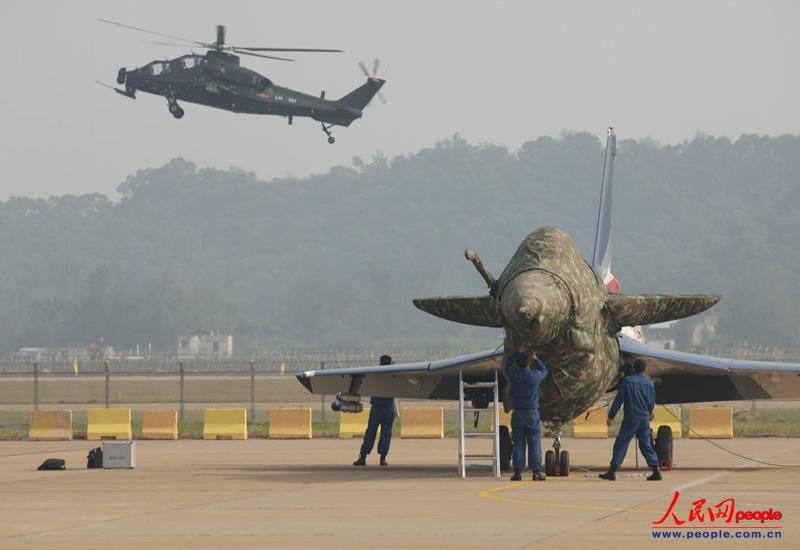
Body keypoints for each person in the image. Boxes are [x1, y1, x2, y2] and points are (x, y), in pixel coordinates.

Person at [600, 359, 662, 481]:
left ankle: (612, 471)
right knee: (646, 445)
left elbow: (619, 400)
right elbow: (651, 404)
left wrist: (611, 416)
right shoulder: (649, 384)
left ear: (634, 368)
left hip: (631, 418)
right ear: (644, 369)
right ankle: (656, 470)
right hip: (644, 419)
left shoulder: (627, 382)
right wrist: (648, 414)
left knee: (621, 443)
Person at [503, 348, 548, 481]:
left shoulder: (513, 375)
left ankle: (517, 472)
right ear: (529, 363)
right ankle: (536, 472)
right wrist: (535, 358)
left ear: (518, 363)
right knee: (534, 441)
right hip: (532, 413)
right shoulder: (534, 376)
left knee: (518, 442)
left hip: (518, 413)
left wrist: (515, 354)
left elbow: (506, 366)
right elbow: (545, 371)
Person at [353, 354, 397, 467]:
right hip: (388, 408)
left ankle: (363, 457)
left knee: (370, 432)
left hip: (376, 408)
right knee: (386, 434)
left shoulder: (374, 373)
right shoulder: (393, 375)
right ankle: (383, 458)